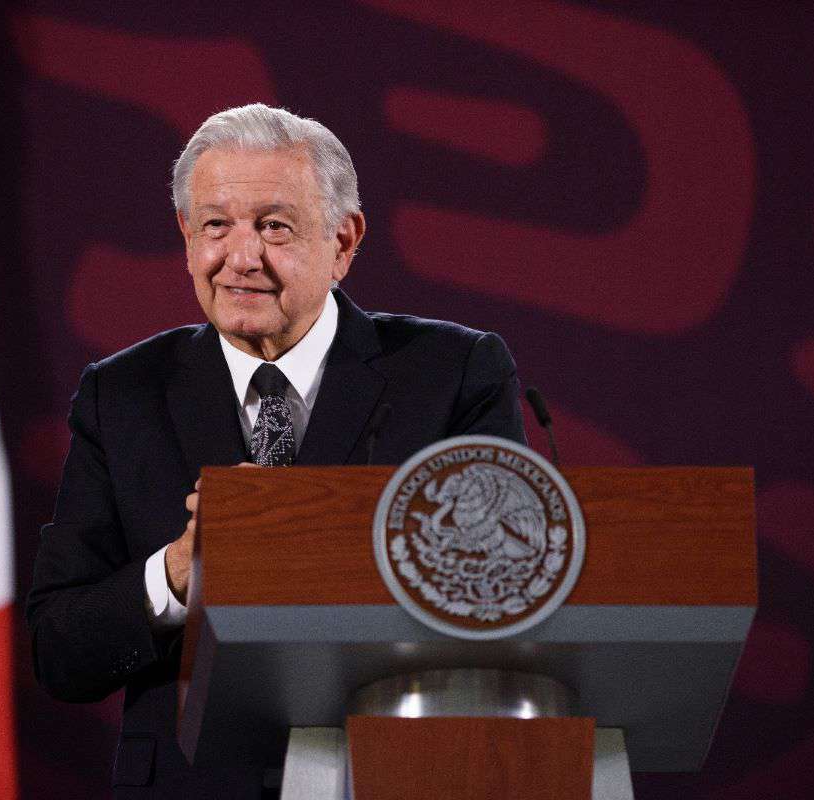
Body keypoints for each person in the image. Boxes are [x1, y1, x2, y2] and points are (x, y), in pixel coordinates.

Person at [26, 103, 526, 798]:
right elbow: (59, 651)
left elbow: (511, 594)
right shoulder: (123, 396)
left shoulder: (451, 374)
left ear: (344, 241)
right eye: (215, 226)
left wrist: (317, 539)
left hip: (394, 776)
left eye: (274, 227)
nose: (241, 257)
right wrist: (176, 571)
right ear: (185, 236)